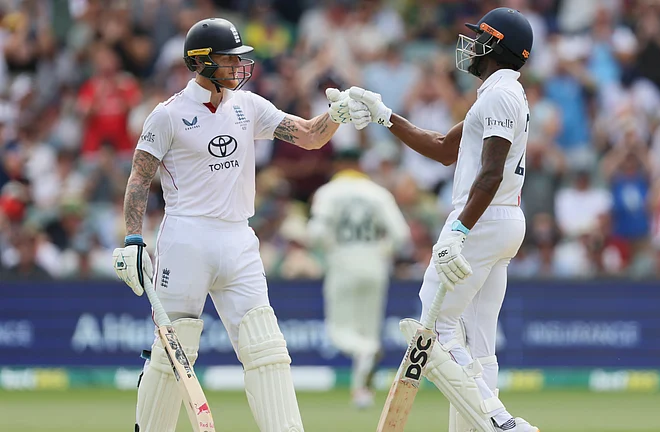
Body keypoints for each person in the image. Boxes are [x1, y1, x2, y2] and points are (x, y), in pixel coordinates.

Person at [111, 17, 367, 432]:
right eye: (229, 60)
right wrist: (133, 239)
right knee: (175, 348)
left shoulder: (248, 106)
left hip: (238, 237)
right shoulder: (168, 115)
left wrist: (336, 114)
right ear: (201, 62)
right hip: (185, 236)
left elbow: (307, 136)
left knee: (266, 346)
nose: (238, 67)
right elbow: (140, 177)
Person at [340, 8, 539, 432]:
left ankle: (500, 422)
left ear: (496, 47)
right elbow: (444, 148)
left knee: (435, 331)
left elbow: (491, 172)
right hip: (500, 220)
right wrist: (383, 115)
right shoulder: (498, 94)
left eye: (479, 39)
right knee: (479, 341)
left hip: (483, 218)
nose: (469, 46)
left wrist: (459, 230)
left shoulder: (501, 96)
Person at [306, 149, 410, 409]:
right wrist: (380, 252)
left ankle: (364, 361)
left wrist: (330, 248)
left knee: (339, 332)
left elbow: (316, 232)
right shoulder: (377, 193)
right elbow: (401, 234)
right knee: (368, 331)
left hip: (342, 263)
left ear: (339, 164)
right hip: (374, 264)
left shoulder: (328, 193)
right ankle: (362, 393)